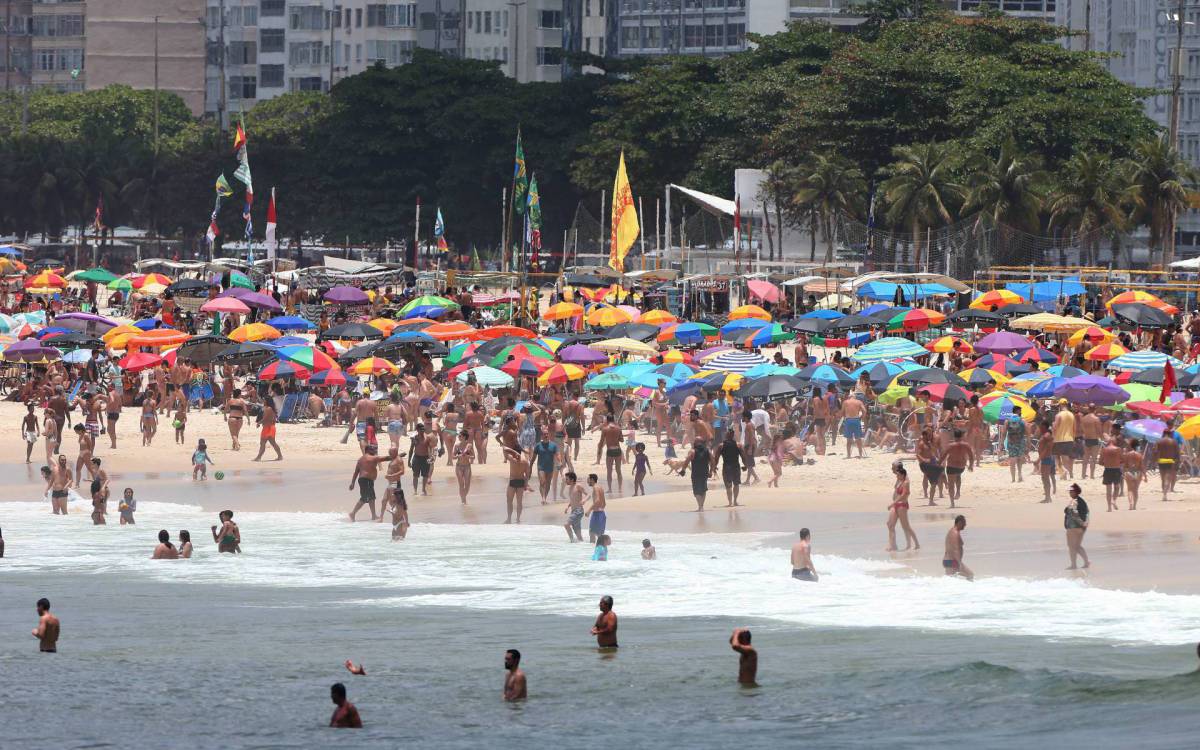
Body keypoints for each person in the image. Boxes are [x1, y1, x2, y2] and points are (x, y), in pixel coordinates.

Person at [348, 445, 390, 522]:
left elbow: (356, 472)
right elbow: (387, 458)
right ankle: (352, 513)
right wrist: (398, 455)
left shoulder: (360, 459)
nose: (374, 451)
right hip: (366, 480)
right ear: (368, 450)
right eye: (373, 449)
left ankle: (373, 515)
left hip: (364, 480)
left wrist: (352, 483)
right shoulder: (373, 458)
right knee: (364, 498)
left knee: (372, 498)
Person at [887, 463, 919, 551]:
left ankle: (911, 543)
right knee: (890, 524)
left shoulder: (905, 479)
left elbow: (905, 494)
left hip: (900, 504)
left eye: (893, 467)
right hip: (896, 504)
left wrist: (893, 503)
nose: (891, 468)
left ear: (898, 468)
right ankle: (892, 545)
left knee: (905, 526)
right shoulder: (899, 478)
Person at [942, 429, 975, 507]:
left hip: (951, 466)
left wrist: (939, 465)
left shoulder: (951, 445)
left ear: (954, 436)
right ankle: (958, 492)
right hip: (961, 467)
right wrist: (970, 465)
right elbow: (971, 456)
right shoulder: (966, 445)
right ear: (962, 436)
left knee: (951, 485)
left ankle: (952, 503)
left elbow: (943, 456)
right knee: (958, 475)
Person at [714, 431, 746, 508]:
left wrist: (714, 466)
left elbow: (716, 458)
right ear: (733, 436)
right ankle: (734, 501)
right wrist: (745, 465)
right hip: (735, 466)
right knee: (736, 484)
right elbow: (743, 457)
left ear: (726, 436)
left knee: (728, 485)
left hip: (727, 467)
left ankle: (730, 502)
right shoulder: (738, 445)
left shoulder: (721, 446)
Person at [679, 439, 712, 512]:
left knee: (696, 491)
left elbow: (687, 461)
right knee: (703, 489)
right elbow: (712, 460)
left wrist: (683, 470)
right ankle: (701, 506)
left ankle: (700, 507)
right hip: (705, 473)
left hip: (696, 474)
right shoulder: (707, 450)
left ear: (696, 443)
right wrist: (711, 471)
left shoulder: (692, 451)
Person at [1064, 483, 1091, 570]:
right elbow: (1087, 512)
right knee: (1076, 546)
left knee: (1072, 546)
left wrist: (1081, 523)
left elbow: (1074, 513)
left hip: (1074, 527)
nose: (1070, 493)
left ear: (1076, 492)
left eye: (1072, 491)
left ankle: (1074, 565)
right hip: (1080, 527)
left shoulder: (1074, 501)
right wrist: (1085, 523)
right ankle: (1086, 562)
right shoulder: (1082, 501)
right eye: (1070, 491)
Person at [532, 428, 559, 504]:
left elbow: (557, 454)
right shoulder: (538, 445)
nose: (546, 435)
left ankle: (545, 498)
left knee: (548, 483)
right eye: (544, 434)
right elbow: (533, 457)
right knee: (543, 482)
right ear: (541, 436)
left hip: (550, 467)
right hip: (541, 467)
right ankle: (543, 498)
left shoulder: (553, 445)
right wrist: (530, 466)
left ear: (549, 435)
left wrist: (559, 462)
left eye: (547, 434)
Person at [943, 515, 974, 580]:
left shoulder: (953, 531)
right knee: (970, 575)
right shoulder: (955, 533)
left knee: (952, 580)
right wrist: (959, 563)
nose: (965, 525)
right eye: (964, 523)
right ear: (959, 522)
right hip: (953, 562)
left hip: (949, 561)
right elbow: (955, 549)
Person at [504, 446, 529, 524]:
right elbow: (527, 475)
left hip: (513, 481)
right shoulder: (525, 461)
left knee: (509, 501)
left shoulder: (512, 459)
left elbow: (504, 449)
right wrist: (526, 484)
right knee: (519, 502)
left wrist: (513, 452)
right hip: (521, 482)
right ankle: (518, 519)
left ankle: (509, 519)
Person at [1052, 400, 1076, 480]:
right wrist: (1073, 438)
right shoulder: (1072, 415)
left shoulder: (1059, 415)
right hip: (1070, 438)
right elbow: (1074, 428)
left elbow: (1055, 427)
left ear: (1061, 405)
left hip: (1059, 439)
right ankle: (1070, 472)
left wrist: (1052, 436)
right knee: (1068, 457)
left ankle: (1064, 472)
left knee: (1058, 457)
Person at [1155, 428, 1181, 502]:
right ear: (1170, 434)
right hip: (1170, 461)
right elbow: (1177, 453)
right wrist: (1177, 461)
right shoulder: (1174, 442)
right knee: (1168, 478)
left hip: (1161, 461)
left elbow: (1156, 451)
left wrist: (1155, 460)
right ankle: (1165, 494)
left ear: (1163, 433)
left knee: (1163, 479)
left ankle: (1164, 493)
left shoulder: (1159, 441)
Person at [1099, 437, 1124, 512]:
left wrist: (1106, 463)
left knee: (1108, 490)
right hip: (1116, 469)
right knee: (1117, 487)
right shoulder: (1118, 449)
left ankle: (1109, 507)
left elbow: (1100, 462)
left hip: (1107, 470)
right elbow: (1122, 460)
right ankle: (1114, 500)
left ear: (1108, 442)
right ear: (1114, 442)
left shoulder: (1104, 450)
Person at [841, 392, 866, 458]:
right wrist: (862, 418)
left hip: (848, 420)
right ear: (855, 397)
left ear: (849, 396)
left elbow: (842, 412)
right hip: (856, 420)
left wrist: (844, 416)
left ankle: (848, 455)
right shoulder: (859, 402)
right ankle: (860, 454)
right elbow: (864, 410)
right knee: (858, 439)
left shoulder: (846, 402)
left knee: (849, 439)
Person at [453, 429, 474, 504]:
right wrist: (459, 456)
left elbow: (473, 456)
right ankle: (463, 500)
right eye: (458, 435)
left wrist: (468, 457)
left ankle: (463, 497)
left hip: (467, 466)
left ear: (464, 437)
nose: (458, 437)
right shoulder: (457, 445)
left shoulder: (469, 445)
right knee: (461, 484)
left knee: (467, 485)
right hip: (459, 466)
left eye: (460, 436)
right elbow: (453, 457)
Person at [563, 471, 585, 542]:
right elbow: (573, 499)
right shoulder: (570, 488)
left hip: (578, 511)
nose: (565, 481)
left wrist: (584, 500)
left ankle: (572, 541)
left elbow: (588, 494)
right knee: (578, 533)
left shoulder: (578, 486)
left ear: (572, 479)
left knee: (566, 525)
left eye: (567, 479)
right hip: (573, 511)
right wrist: (568, 506)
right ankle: (582, 545)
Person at [1005, 414, 1027, 482]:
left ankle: (1013, 479)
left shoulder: (1007, 421)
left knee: (1012, 461)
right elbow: (1027, 433)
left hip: (1011, 443)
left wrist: (1000, 445)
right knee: (1020, 459)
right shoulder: (1022, 421)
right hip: (1020, 442)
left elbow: (1003, 433)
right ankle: (1019, 475)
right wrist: (1028, 445)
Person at [585, 473, 606, 542]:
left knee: (592, 533)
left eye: (588, 479)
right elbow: (604, 503)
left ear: (592, 480)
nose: (587, 481)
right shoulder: (600, 488)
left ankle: (592, 550)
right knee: (599, 535)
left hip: (597, 514)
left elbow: (597, 500)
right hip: (602, 513)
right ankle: (601, 550)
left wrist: (589, 510)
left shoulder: (595, 488)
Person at [1124, 439, 1144, 510]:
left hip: (1129, 472)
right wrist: (1145, 476)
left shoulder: (1127, 454)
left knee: (1129, 489)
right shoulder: (1139, 455)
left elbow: (1125, 466)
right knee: (1135, 490)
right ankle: (1135, 505)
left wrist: (1124, 473)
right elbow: (1142, 467)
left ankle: (1131, 504)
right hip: (1138, 473)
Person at [89, 458, 108, 525]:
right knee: (96, 504)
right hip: (97, 489)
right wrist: (89, 481)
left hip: (103, 489)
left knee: (101, 504)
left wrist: (103, 488)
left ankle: (102, 514)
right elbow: (97, 481)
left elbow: (107, 480)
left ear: (96, 464)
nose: (90, 465)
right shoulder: (94, 472)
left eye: (92, 463)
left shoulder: (101, 471)